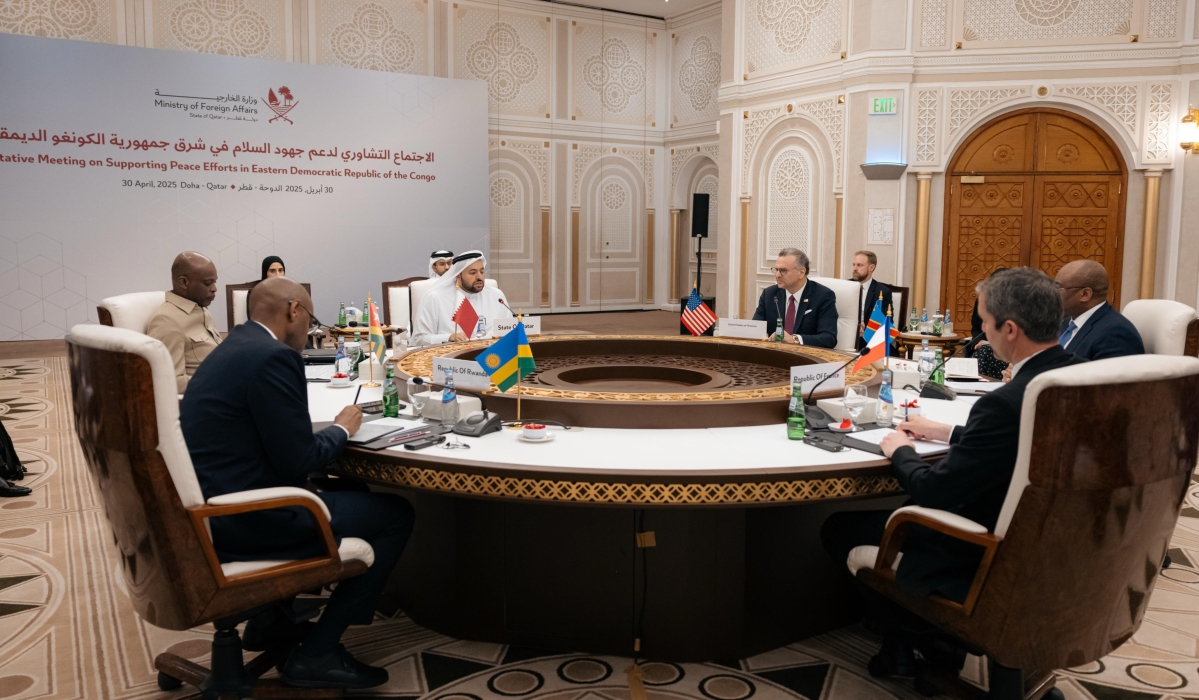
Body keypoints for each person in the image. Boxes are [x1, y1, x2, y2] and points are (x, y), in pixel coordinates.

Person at [820, 267, 1083, 675]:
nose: (981, 331)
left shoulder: (1006, 402)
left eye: (983, 321)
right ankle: (915, 639)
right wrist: (949, 431)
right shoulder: (1077, 377)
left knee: (841, 529)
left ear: (1009, 329)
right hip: (1062, 548)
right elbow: (1020, 441)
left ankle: (918, 638)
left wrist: (901, 448)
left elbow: (934, 491)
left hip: (985, 553)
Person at [181, 277, 414, 690]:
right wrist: (341, 429)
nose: (309, 329)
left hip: (209, 511)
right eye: (311, 319)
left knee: (354, 493)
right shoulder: (273, 357)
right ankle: (317, 653)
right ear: (294, 310)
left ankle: (270, 622)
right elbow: (299, 458)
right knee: (397, 514)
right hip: (249, 519)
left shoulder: (232, 348)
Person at [145, 252, 222, 393]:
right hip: (209, 397)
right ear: (184, 282)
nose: (214, 288)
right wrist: (222, 379)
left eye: (214, 282)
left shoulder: (200, 307)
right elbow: (171, 382)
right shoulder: (167, 320)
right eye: (207, 283)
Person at [411, 250, 512, 346]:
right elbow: (419, 339)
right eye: (473, 273)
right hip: (450, 359)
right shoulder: (435, 298)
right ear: (458, 275)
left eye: (482, 272)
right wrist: (448, 337)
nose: (479, 277)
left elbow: (510, 330)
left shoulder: (496, 296)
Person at [1056, 259, 1144, 360]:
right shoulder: (1065, 322)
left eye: (1059, 288)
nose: (1053, 293)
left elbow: (1108, 375)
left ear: (1085, 294)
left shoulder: (1115, 335)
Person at [751, 247, 838, 348]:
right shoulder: (769, 295)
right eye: (776, 270)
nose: (778, 275)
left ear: (801, 272)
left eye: (783, 270)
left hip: (806, 359)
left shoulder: (823, 296)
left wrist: (794, 339)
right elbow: (754, 331)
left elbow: (829, 338)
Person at [968, 268, 1010, 380]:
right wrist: (980, 341)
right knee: (982, 352)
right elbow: (976, 328)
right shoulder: (982, 301)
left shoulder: (1014, 306)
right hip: (984, 347)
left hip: (1006, 352)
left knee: (985, 353)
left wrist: (991, 343)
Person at [850, 250, 893, 350]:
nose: (855, 268)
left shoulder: (882, 292)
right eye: (854, 265)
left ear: (871, 268)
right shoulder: (845, 286)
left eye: (859, 265)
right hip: (845, 336)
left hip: (867, 340)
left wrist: (864, 331)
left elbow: (886, 323)